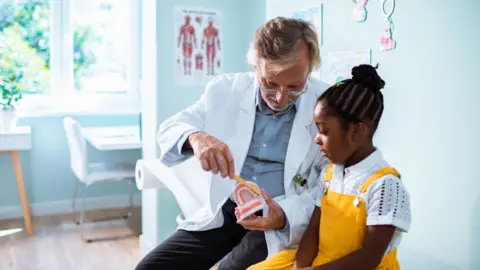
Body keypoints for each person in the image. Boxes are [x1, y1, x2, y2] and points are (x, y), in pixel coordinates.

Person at [135, 17, 330, 270]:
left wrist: (284, 215)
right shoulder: (225, 89)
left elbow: (331, 182)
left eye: (294, 86)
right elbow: (171, 127)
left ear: (310, 70)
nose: (281, 98)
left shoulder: (327, 103)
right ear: (255, 66)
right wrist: (197, 137)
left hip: (282, 213)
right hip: (229, 210)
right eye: (270, 83)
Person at [247, 64, 412, 270]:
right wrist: (299, 267)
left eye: (324, 131)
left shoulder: (385, 186)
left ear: (356, 132)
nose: (317, 139)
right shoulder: (330, 174)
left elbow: (368, 258)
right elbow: (313, 230)